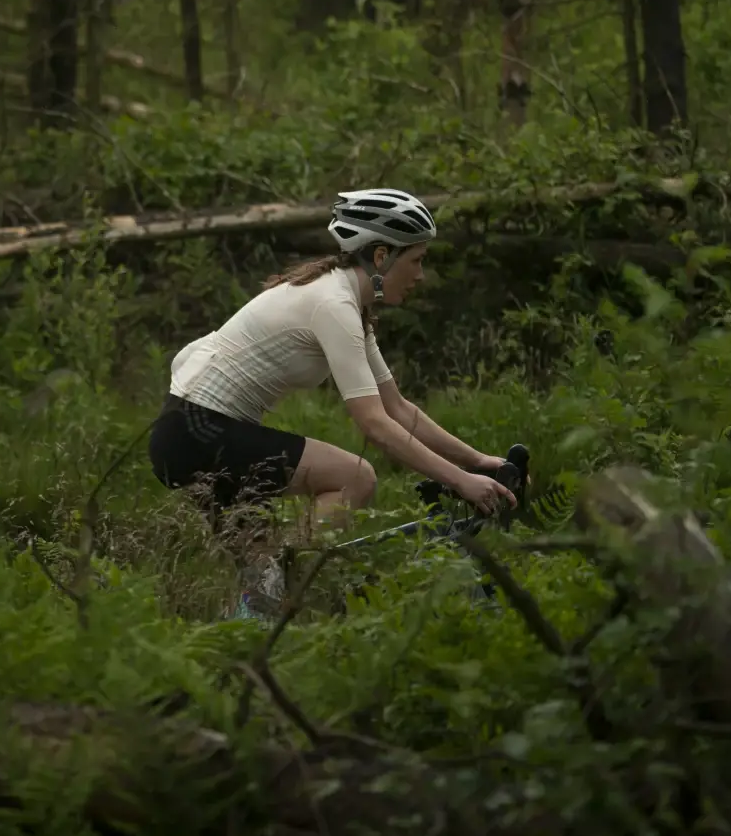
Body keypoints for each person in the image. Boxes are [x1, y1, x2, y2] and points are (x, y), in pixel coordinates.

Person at [148, 188, 518, 621]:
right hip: (200, 431)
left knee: (260, 591)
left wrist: (478, 463)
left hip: (186, 434)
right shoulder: (333, 304)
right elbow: (375, 425)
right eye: (416, 260)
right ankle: (271, 589)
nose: (421, 274)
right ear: (381, 257)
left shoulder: (347, 305)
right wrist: (459, 482)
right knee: (353, 479)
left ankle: (242, 645)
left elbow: (398, 409)